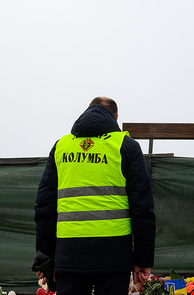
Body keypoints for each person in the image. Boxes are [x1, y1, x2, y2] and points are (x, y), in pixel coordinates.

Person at [34, 97, 156, 295]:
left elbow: (44, 206)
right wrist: (143, 260)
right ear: (116, 118)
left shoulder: (61, 147)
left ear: (86, 112)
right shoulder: (126, 147)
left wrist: (45, 257)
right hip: (114, 257)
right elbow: (142, 208)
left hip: (69, 255)